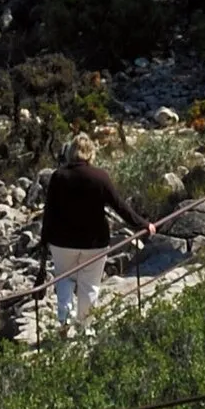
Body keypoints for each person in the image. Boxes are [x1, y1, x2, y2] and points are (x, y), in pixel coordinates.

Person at [38, 132, 150, 335]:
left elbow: (49, 212)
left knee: (64, 280)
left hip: (62, 242)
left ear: (71, 153)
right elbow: (120, 206)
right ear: (91, 154)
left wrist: (44, 241)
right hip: (94, 242)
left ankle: (64, 321)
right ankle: (85, 329)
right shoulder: (100, 177)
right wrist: (143, 224)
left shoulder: (58, 176)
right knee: (89, 286)